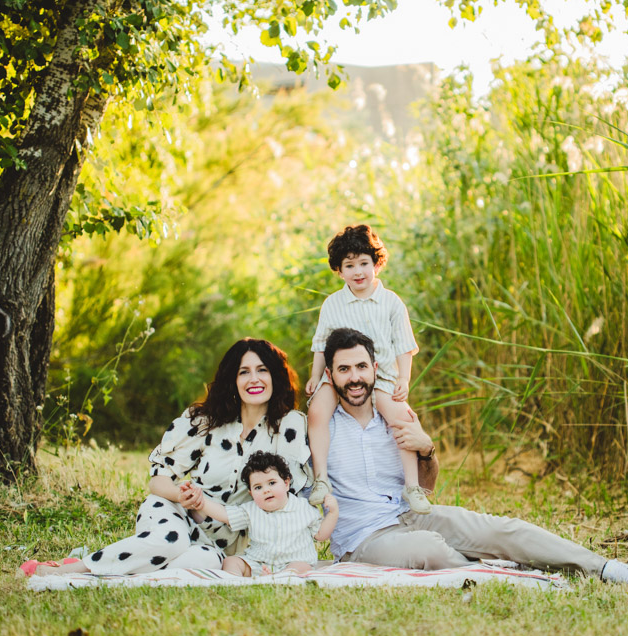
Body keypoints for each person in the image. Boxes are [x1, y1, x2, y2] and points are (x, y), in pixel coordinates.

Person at [321, 327, 628, 585]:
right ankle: (513, 576)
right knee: (429, 548)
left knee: (502, 530)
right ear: (330, 375)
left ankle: (606, 568)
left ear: (375, 368)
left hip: (411, 515)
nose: (355, 378)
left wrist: (426, 449)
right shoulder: (320, 430)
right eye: (344, 369)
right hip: (364, 538)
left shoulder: (396, 415)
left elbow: (426, 487)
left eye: (362, 367)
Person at [27, 338, 313, 577]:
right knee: (169, 542)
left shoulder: (288, 426)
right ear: (232, 379)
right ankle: (71, 571)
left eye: (262, 370)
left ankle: (110, 564)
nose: (254, 379)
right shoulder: (205, 420)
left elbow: (291, 496)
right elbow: (159, 480)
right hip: (175, 513)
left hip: (221, 543)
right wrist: (183, 496)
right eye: (243, 372)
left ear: (275, 375)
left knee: (205, 564)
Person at [305, 224, 429, 514]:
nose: (358, 271)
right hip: (340, 377)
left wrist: (403, 379)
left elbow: (404, 345)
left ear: (377, 264)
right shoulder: (333, 304)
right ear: (339, 270)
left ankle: (412, 486)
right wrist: (315, 375)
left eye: (364, 263)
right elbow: (321, 344)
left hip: (382, 377)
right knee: (316, 411)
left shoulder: (391, 302)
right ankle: (321, 478)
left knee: (403, 417)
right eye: (349, 265)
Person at [182, 450, 338, 577]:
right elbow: (224, 514)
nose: (266, 490)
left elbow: (320, 535)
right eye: (258, 487)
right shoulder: (251, 510)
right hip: (258, 563)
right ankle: (233, 581)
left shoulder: (302, 508)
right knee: (231, 561)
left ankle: (280, 578)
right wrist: (200, 500)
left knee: (302, 568)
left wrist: (332, 514)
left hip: (294, 562)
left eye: (271, 483)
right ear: (251, 492)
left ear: (286, 483)